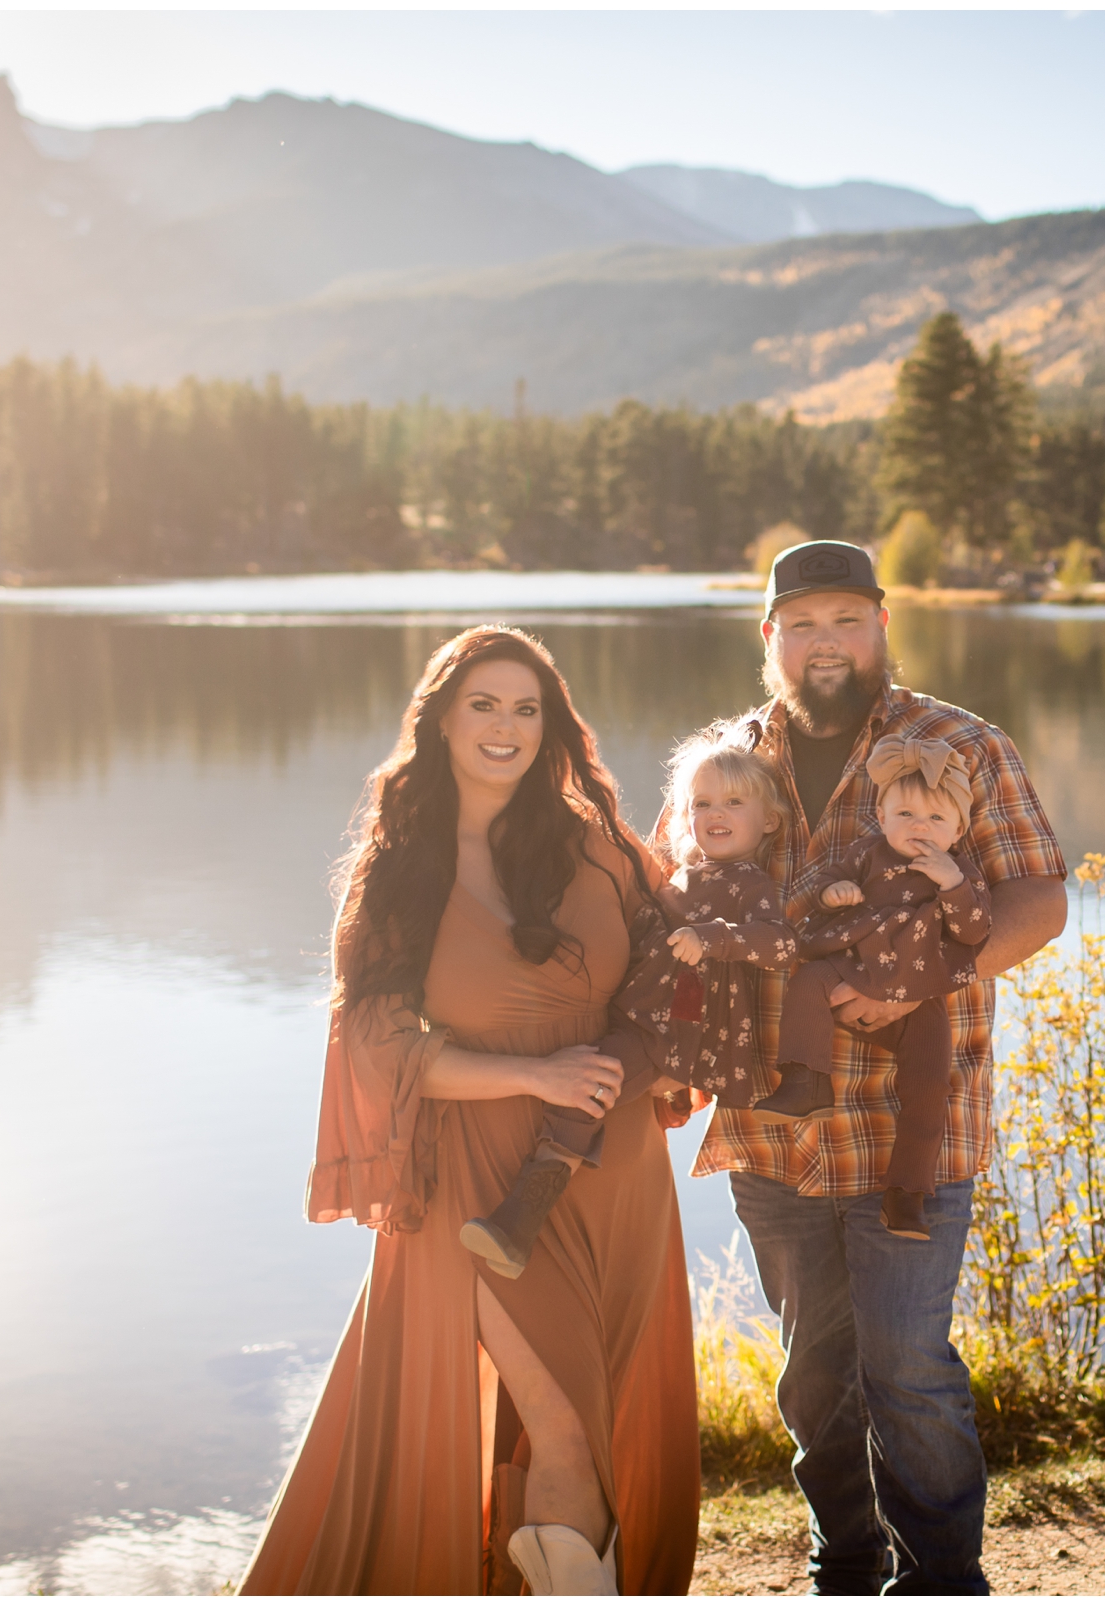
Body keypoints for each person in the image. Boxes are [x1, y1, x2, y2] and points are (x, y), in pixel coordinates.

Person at [238, 626, 698, 1596]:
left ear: (552, 725)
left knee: (601, 1424)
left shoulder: (603, 847)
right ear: (440, 720)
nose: (506, 727)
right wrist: (534, 1078)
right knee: (565, 1425)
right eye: (484, 705)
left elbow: (674, 977)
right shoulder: (399, 871)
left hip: (613, 1176)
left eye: (526, 708)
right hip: (480, 1191)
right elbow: (375, 1052)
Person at [684, 540, 1068, 1596]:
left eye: (845, 620)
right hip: (773, 1125)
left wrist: (919, 981)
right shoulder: (728, 765)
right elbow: (675, 903)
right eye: (801, 624)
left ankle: (942, 1582)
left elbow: (1039, 900)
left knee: (908, 1370)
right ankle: (843, 1568)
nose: (824, 644)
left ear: (882, 625)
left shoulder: (960, 745)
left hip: (913, 1126)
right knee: (814, 1378)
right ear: (769, 638)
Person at [462, 736, 800, 1279]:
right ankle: (539, 1207)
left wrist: (715, 938)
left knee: (594, 1078)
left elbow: (782, 945)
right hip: (640, 1012)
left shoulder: (749, 885)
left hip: (672, 1030)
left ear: (768, 823)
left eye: (735, 803)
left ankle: (520, 1218)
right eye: (702, 803)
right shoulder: (679, 878)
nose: (716, 814)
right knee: (600, 1075)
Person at [759, 734, 993, 1243]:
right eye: (905, 815)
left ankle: (906, 1192)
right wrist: (835, 891)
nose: (919, 829)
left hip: (918, 997)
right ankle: (805, 1080)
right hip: (854, 967)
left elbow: (974, 932)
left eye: (935, 820)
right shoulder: (868, 854)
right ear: (882, 819)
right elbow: (826, 887)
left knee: (930, 1085)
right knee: (808, 983)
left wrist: (952, 884)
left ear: (957, 830)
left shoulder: (958, 874)